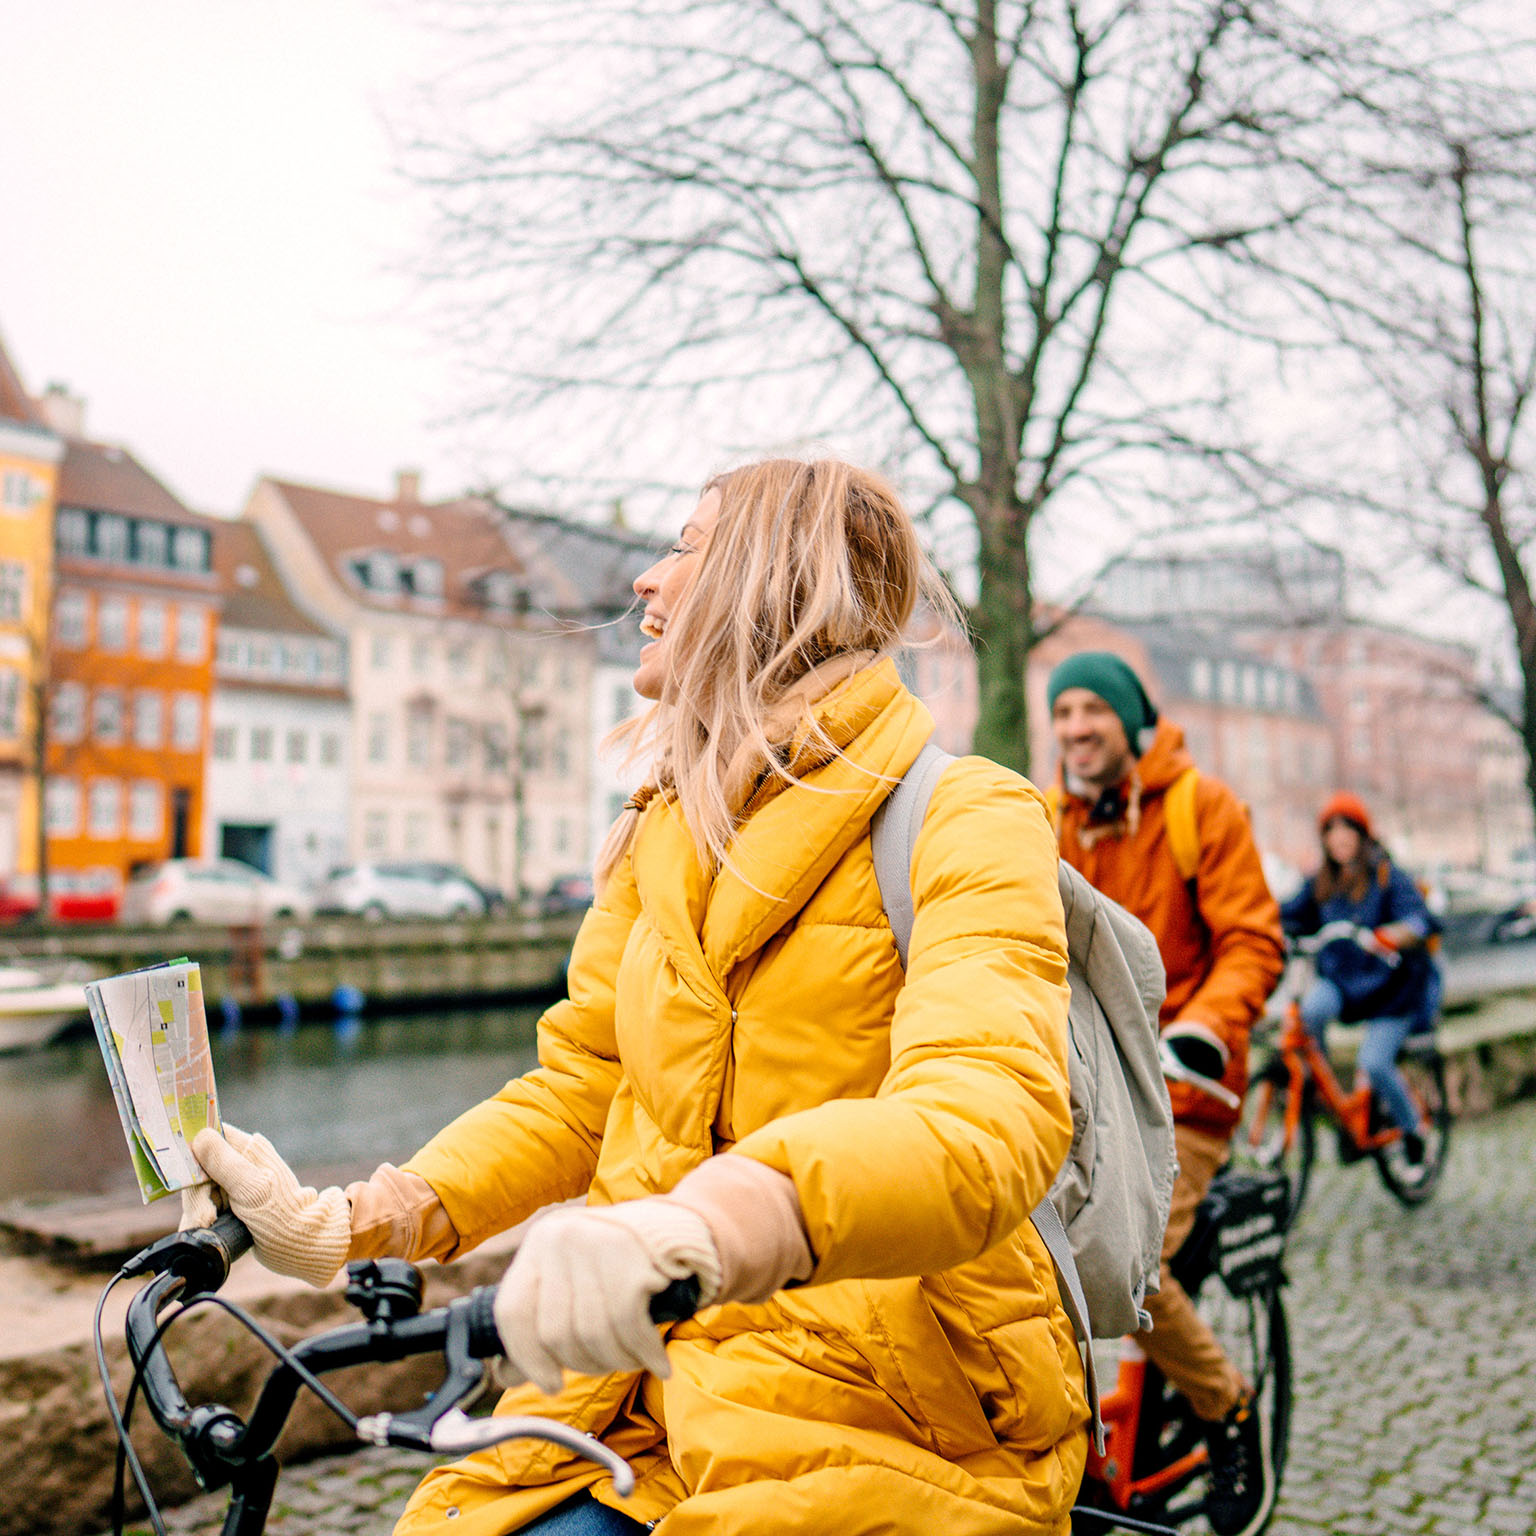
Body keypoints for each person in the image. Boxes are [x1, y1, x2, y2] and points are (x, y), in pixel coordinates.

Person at [187, 458, 1089, 1536]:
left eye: (684, 548)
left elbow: (988, 1118)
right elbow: (583, 1093)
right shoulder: (665, 828)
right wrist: (347, 1222)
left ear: (776, 579)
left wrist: (710, 1225)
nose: (645, 583)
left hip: (889, 1401)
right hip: (637, 1385)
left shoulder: (968, 813)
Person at [1047, 651, 1284, 1536]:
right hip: (1086, 1088)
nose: (1076, 728)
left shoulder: (1200, 808)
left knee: (1128, 1265)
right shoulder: (1048, 819)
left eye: (1093, 710)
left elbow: (1252, 941)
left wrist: (1207, 1028)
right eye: (1063, 711)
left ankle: (1228, 1406)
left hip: (1187, 1092)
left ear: (1131, 720)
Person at [1280, 791, 1442, 1164]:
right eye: (1331, 831)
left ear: (1362, 834)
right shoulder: (1322, 882)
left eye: (1347, 830)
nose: (1339, 839)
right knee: (1310, 1012)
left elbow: (1421, 919)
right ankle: (1331, 1098)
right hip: (1345, 985)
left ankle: (1413, 1129)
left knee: (1374, 1063)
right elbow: (1289, 913)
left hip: (1391, 992)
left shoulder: (1386, 877)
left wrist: (1393, 935)